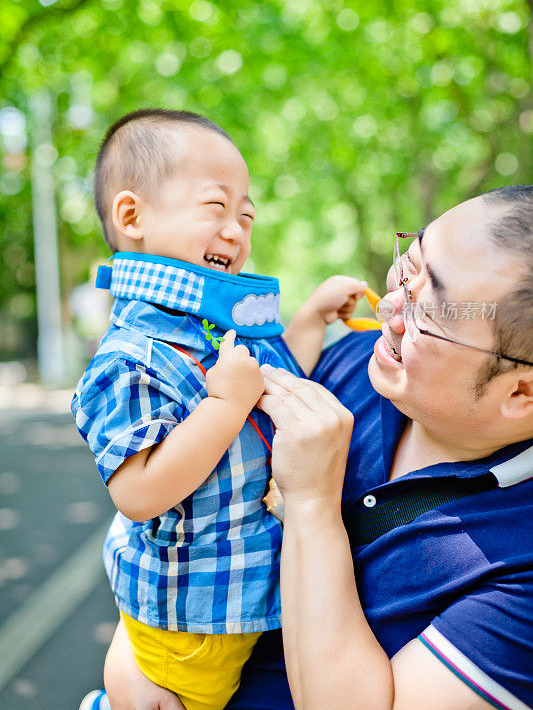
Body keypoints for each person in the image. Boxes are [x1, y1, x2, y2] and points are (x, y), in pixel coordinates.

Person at [101, 185, 533, 710]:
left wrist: (312, 504)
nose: (392, 303)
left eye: (429, 313)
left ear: (521, 392)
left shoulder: (520, 561)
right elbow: (181, 485)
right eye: (411, 263)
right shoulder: (357, 362)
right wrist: (138, 642)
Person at [72, 108, 366, 710]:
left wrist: (308, 320)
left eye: (246, 214)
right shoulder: (132, 356)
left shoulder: (215, 323)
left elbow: (275, 385)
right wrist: (225, 403)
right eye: (216, 207)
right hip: (191, 627)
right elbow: (139, 491)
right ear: (132, 216)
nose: (236, 230)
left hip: (234, 601)